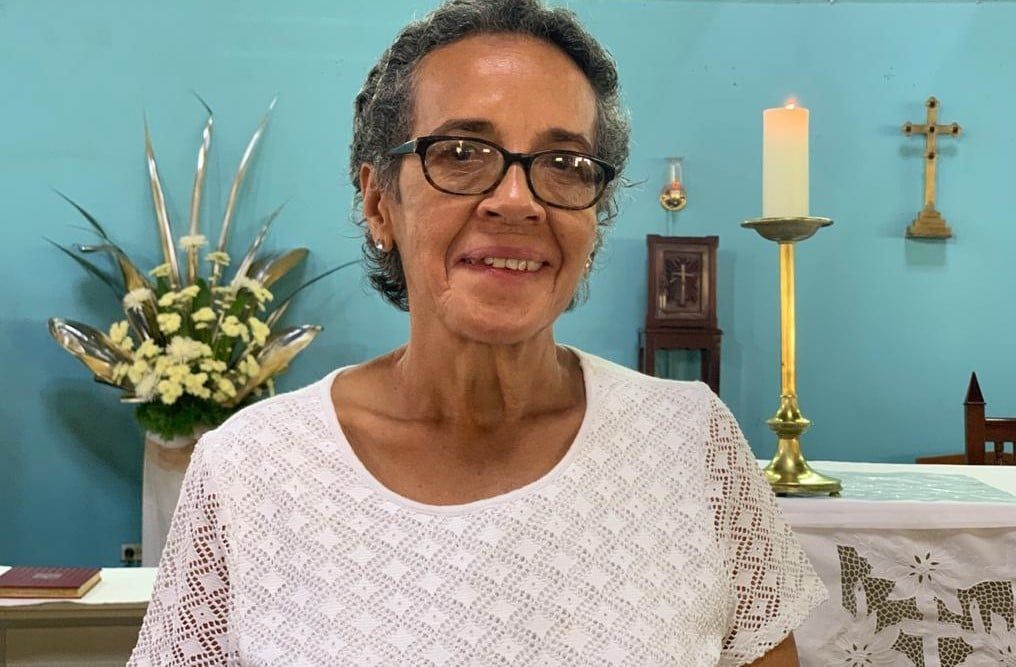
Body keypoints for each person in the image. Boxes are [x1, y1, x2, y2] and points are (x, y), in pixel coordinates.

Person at [129, 0, 826, 664]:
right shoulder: (250, 471)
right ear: (379, 201)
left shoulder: (691, 444)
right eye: (462, 152)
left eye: (564, 164)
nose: (516, 201)